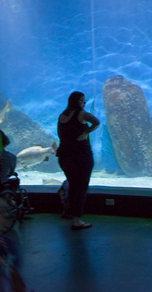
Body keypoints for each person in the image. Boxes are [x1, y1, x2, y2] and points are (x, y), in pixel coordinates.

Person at [57, 91, 100, 230]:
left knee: (73, 185)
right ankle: (76, 220)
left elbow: (60, 135)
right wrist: (85, 132)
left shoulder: (62, 116)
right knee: (81, 187)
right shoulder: (81, 114)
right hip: (81, 155)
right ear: (77, 101)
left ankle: (68, 212)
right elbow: (96, 122)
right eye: (83, 100)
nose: (84, 103)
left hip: (64, 156)